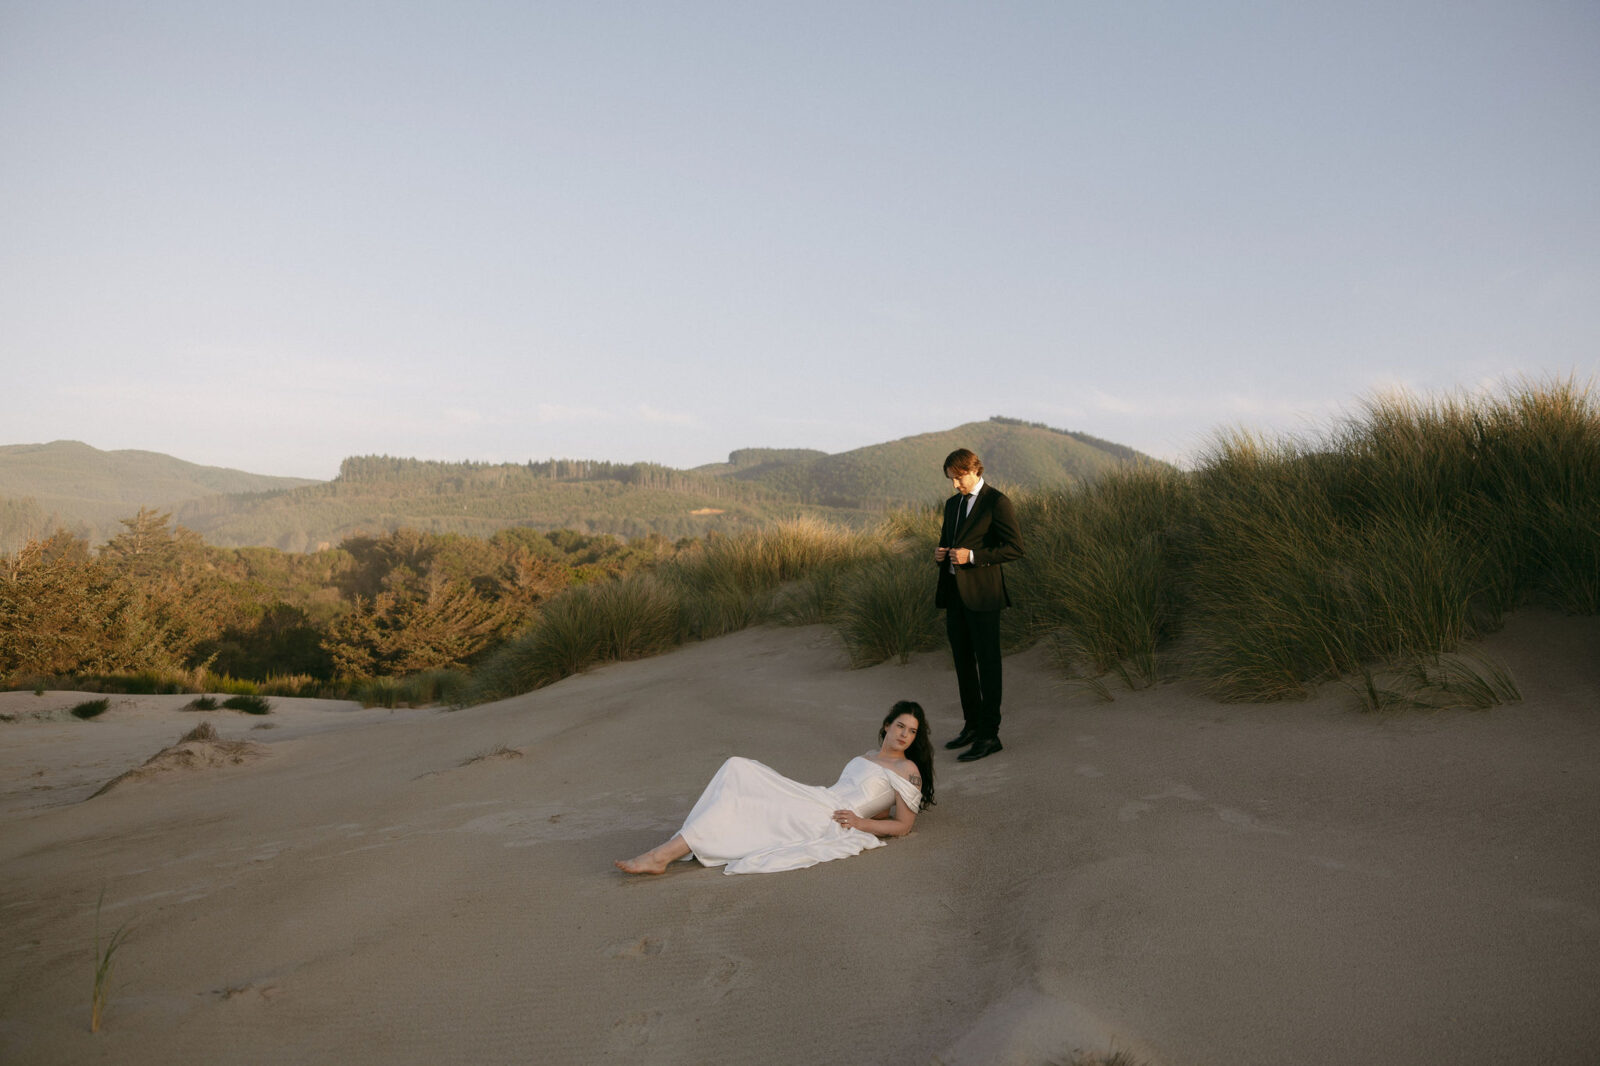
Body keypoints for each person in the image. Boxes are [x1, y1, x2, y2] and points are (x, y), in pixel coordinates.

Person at [615, 702, 935, 876]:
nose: (905, 734)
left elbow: (904, 825)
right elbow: (879, 804)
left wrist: (861, 823)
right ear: (886, 725)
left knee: (746, 798)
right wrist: (872, 813)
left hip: (831, 815)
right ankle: (679, 843)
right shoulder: (867, 756)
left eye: (912, 731)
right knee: (737, 767)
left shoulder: (907, 770)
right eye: (900, 726)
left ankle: (664, 855)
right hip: (820, 797)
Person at [934, 448, 1024, 762]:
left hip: (984, 596)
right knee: (962, 663)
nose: (955, 484)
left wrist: (972, 557)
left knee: (988, 665)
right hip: (954, 595)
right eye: (951, 479)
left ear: (974, 470)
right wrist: (942, 554)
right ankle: (971, 727)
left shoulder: (997, 502)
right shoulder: (952, 504)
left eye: (958, 478)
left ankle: (990, 735)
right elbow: (950, 540)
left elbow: (1014, 548)